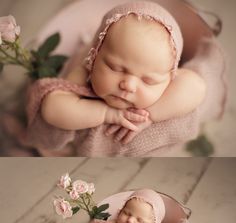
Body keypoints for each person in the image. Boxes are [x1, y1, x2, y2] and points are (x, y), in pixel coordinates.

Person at [40, 2, 206, 145]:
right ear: (94, 57)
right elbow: (51, 109)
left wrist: (150, 116)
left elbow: (197, 86)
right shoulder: (84, 71)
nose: (129, 85)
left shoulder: (170, 86)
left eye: (148, 81)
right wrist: (106, 114)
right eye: (115, 68)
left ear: (171, 78)